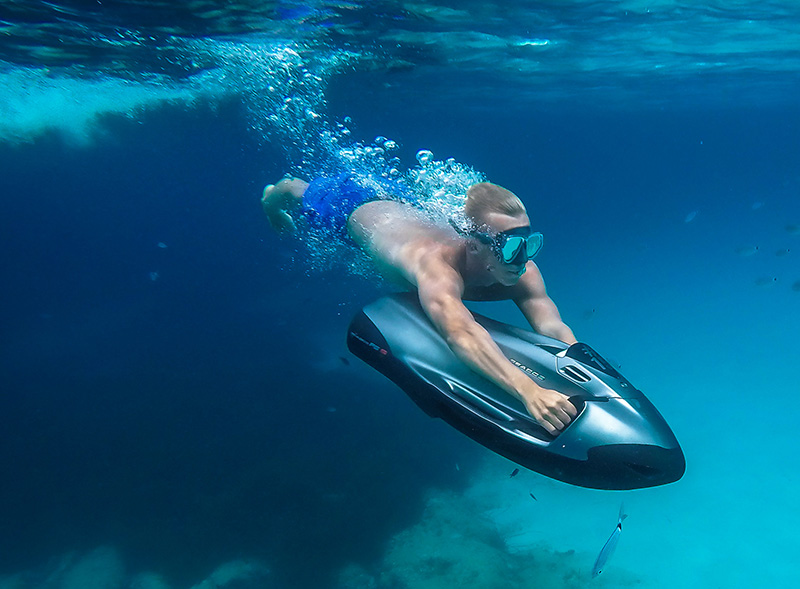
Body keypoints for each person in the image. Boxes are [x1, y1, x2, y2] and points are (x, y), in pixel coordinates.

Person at [261, 172, 578, 435]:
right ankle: (273, 197)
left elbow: (551, 324)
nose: (523, 259)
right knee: (296, 192)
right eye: (511, 247)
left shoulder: (521, 270)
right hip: (348, 210)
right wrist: (529, 391)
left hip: (399, 203)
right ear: (474, 245)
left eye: (529, 244)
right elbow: (462, 333)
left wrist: (580, 361)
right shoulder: (437, 268)